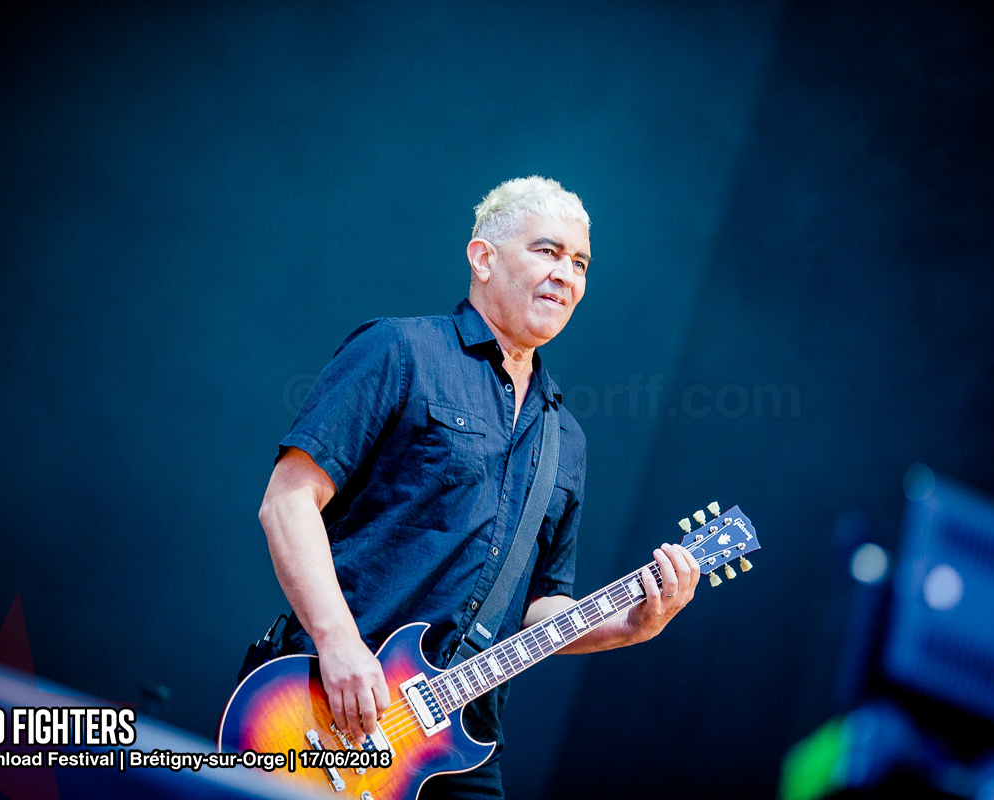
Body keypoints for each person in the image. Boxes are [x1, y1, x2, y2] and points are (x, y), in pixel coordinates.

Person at [257, 176, 700, 797]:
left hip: (459, 745)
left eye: (580, 263)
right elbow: (288, 502)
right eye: (548, 251)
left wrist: (631, 625)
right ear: (483, 258)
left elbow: (538, 607)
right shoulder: (399, 351)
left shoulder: (564, 438)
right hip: (328, 707)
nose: (566, 275)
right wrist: (337, 642)